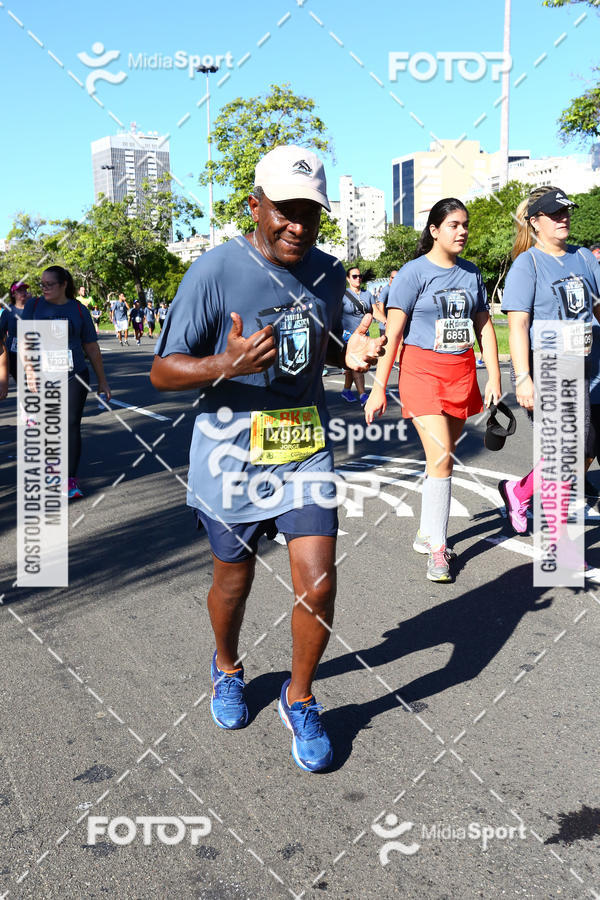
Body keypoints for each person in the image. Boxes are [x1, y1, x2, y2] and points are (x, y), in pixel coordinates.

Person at [150, 144, 385, 772]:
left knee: (320, 582)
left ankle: (299, 697)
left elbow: (322, 345)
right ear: (255, 206)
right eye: (285, 210)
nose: (298, 226)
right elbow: (162, 371)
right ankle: (228, 666)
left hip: (302, 446)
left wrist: (348, 354)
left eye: (310, 213)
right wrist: (224, 364)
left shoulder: (329, 273)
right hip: (230, 451)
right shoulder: (214, 271)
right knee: (234, 580)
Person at [365, 198, 500, 583]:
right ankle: (439, 549)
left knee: (442, 458)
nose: (463, 231)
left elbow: (484, 327)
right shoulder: (413, 274)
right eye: (454, 225)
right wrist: (378, 388)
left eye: (465, 224)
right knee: (441, 457)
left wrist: (494, 375)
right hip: (422, 372)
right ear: (435, 230)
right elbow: (393, 335)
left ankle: (427, 531)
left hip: (461, 371)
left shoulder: (472, 273)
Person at [500, 186, 600, 555]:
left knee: (571, 450)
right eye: (554, 214)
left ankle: (520, 492)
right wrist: (523, 378)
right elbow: (518, 325)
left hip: (580, 366)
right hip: (547, 365)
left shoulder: (583, 257)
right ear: (535, 222)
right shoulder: (527, 264)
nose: (563, 218)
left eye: (566, 211)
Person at [21, 266, 111, 499]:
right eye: (42, 284)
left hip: (74, 374)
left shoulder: (79, 310)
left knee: (70, 424)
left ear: (64, 284)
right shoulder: (34, 306)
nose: (44, 288)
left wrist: (102, 381)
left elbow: (91, 347)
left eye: (49, 284)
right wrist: (29, 370)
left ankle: (69, 480)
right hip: (43, 375)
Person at [340, 266, 386, 405]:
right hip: (348, 335)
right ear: (348, 279)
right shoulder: (343, 295)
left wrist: (386, 321)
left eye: (359, 276)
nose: (358, 278)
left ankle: (346, 390)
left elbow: (374, 311)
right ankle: (363, 395)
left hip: (364, 336)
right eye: (354, 276)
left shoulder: (367, 294)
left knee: (351, 366)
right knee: (357, 363)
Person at [0, 281, 30, 384]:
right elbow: (1, 334)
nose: (23, 292)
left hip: (32, 353)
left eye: (25, 290)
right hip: (14, 355)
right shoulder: (8, 312)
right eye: (20, 290)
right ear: (13, 294)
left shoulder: (33, 309)